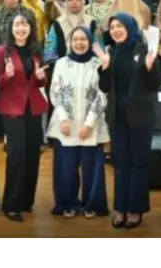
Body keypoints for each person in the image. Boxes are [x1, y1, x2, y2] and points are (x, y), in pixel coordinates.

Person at [96, 12, 161, 230]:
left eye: (120, 26)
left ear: (130, 27)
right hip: (118, 117)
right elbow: (105, 87)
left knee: (139, 162)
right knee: (120, 162)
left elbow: (155, 85)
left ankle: (135, 208)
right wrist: (105, 67)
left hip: (140, 116)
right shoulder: (112, 52)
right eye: (112, 27)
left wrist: (149, 68)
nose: (115, 30)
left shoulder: (144, 50)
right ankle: (120, 207)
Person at [48, 26, 109, 219]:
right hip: (65, 124)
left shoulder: (98, 63)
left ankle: (92, 204)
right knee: (65, 168)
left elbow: (102, 94)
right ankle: (68, 203)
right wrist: (63, 119)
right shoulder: (61, 63)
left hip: (92, 123)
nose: (79, 43)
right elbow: (55, 92)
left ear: (90, 41)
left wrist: (89, 124)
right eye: (75, 39)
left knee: (92, 168)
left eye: (83, 39)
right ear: (69, 42)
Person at [0, 10, 48, 222]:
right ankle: (11, 204)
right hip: (12, 107)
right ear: (11, 28)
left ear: (31, 27)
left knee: (33, 153)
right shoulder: (3, 51)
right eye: (17, 24)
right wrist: (6, 75)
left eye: (25, 24)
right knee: (16, 154)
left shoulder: (36, 50)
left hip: (33, 106)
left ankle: (26, 201)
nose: (21, 28)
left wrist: (42, 78)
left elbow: (39, 82)